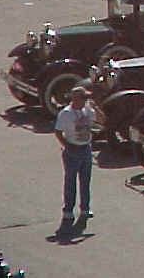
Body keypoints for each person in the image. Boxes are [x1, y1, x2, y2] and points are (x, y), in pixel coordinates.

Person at [54, 87, 98, 220]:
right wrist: (67, 146)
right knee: (70, 182)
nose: (86, 100)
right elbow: (58, 131)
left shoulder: (87, 110)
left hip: (85, 148)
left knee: (85, 181)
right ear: (75, 99)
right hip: (72, 150)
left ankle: (85, 208)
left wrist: (97, 108)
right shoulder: (66, 113)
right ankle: (68, 210)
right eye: (83, 98)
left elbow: (101, 121)